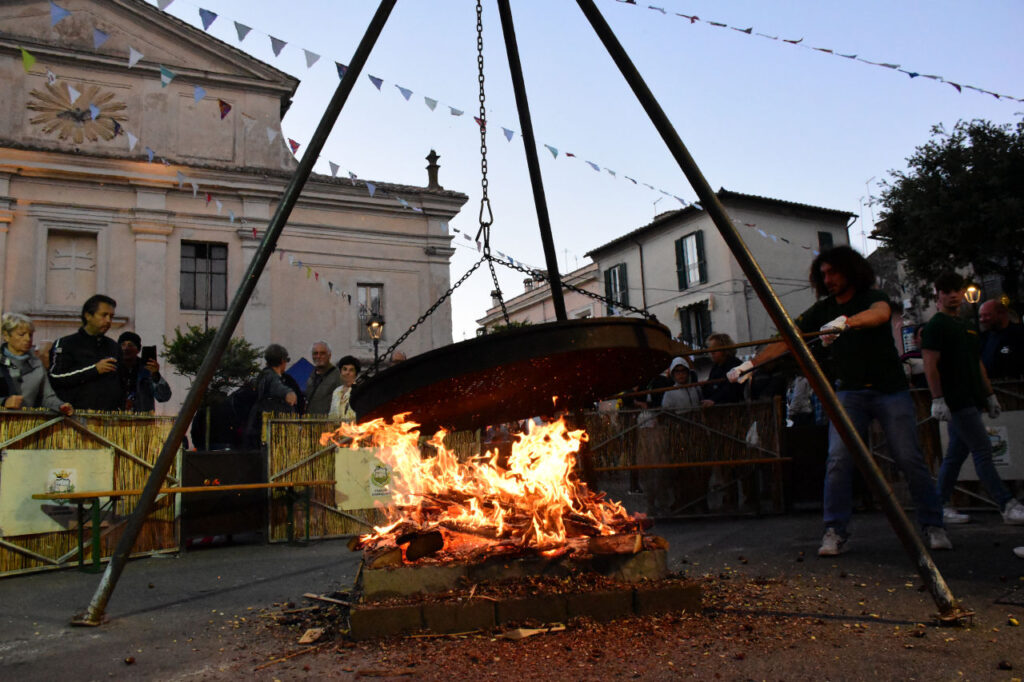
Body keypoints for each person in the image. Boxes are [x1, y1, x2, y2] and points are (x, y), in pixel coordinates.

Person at [727, 246, 950, 555]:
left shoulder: (872, 298)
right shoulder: (821, 309)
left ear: (851, 270)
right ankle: (834, 530)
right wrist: (750, 365)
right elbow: (787, 339)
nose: (828, 279)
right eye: (823, 274)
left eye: (833, 272)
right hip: (849, 392)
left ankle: (933, 525)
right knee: (838, 460)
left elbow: (880, 315)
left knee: (909, 458)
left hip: (890, 390)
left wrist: (845, 322)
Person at [921, 273, 1024, 525]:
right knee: (982, 449)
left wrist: (989, 395)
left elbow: (977, 363)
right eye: (947, 291)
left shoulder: (966, 325)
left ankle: (940, 505)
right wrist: (938, 398)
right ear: (939, 295)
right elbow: (930, 364)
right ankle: (1006, 503)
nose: (954, 295)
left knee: (956, 455)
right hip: (958, 399)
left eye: (957, 290)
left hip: (971, 397)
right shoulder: (936, 326)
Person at [49, 294, 124, 411]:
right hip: (75, 416)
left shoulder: (114, 346)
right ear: (88, 315)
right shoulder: (65, 344)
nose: (109, 321)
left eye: (111, 316)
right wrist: (94, 369)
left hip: (108, 418)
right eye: (104, 315)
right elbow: (56, 377)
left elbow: (121, 382)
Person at [1, 313, 73, 414]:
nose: (27, 339)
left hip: (26, 425)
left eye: (30, 335)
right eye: (21, 334)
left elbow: (47, 397)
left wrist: (60, 406)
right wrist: (3, 402)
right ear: (6, 336)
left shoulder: (36, 365)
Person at [244, 344, 297, 447]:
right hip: (270, 432)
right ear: (282, 361)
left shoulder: (262, 376)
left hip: (258, 429)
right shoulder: (271, 377)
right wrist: (289, 393)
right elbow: (278, 387)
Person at [117, 331, 171, 412]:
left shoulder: (147, 370)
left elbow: (164, 396)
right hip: (115, 420)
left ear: (138, 349)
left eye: (131, 345)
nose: (126, 348)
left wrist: (155, 375)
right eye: (123, 345)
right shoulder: (112, 369)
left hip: (142, 421)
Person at [979, 299, 1024, 380]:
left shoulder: (1019, 334)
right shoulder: (983, 338)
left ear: (1001, 313)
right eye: (981, 316)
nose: (982, 320)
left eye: (987, 315)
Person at [701, 333, 744, 407]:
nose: (711, 353)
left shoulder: (735, 365)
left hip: (732, 408)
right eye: (710, 349)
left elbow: (732, 389)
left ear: (725, 349)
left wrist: (714, 400)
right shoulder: (716, 366)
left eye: (715, 349)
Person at [304, 341, 341, 415]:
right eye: (315, 353)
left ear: (329, 355)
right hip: (311, 422)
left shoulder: (338, 375)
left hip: (328, 423)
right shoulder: (311, 375)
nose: (318, 356)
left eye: (322, 353)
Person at [329, 355, 360, 421]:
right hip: (335, 429)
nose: (347, 373)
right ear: (340, 372)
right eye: (344, 369)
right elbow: (331, 415)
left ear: (356, 374)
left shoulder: (359, 391)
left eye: (351, 370)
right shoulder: (336, 391)